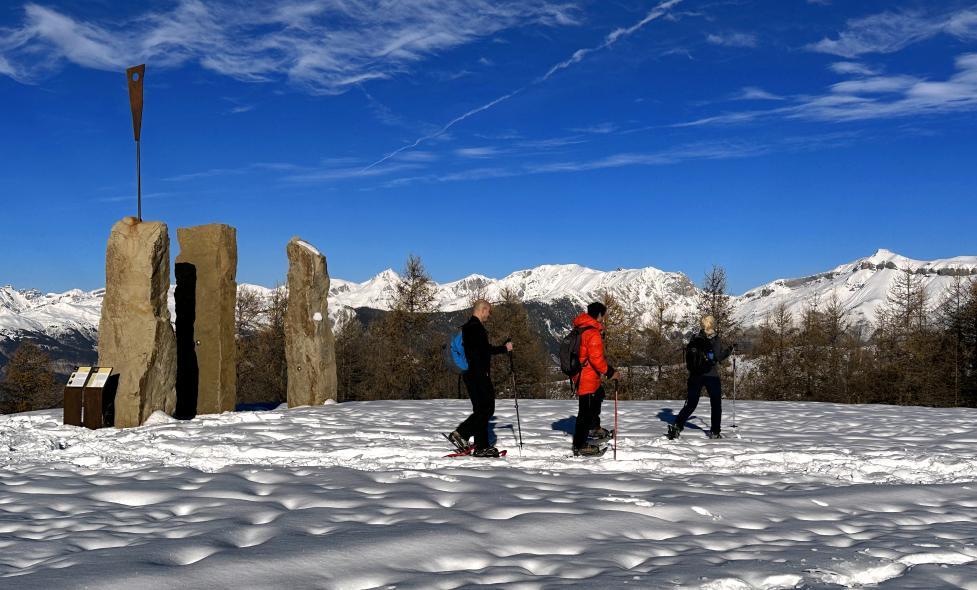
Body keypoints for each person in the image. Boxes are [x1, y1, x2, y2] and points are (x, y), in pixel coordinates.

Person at [447, 300, 513, 457]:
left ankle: (481, 446)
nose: (489, 315)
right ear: (482, 310)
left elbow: (479, 349)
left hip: (471, 374)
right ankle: (461, 434)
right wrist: (505, 348)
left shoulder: (468, 327)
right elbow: (485, 350)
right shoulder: (476, 328)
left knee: (481, 410)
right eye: (488, 311)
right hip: (478, 374)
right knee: (487, 408)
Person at [669, 315, 734, 440]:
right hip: (711, 375)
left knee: (691, 403)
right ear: (713, 324)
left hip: (695, 375)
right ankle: (715, 432)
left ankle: (677, 425)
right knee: (716, 404)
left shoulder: (695, 337)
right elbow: (717, 357)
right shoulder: (715, 338)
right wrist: (729, 350)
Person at [572, 302, 621, 456]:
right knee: (584, 412)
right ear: (599, 315)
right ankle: (580, 445)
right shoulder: (592, 333)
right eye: (603, 315)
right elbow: (596, 359)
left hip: (586, 375)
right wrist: (611, 372)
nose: (604, 318)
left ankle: (594, 428)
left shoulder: (582, 327)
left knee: (598, 395)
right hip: (586, 377)